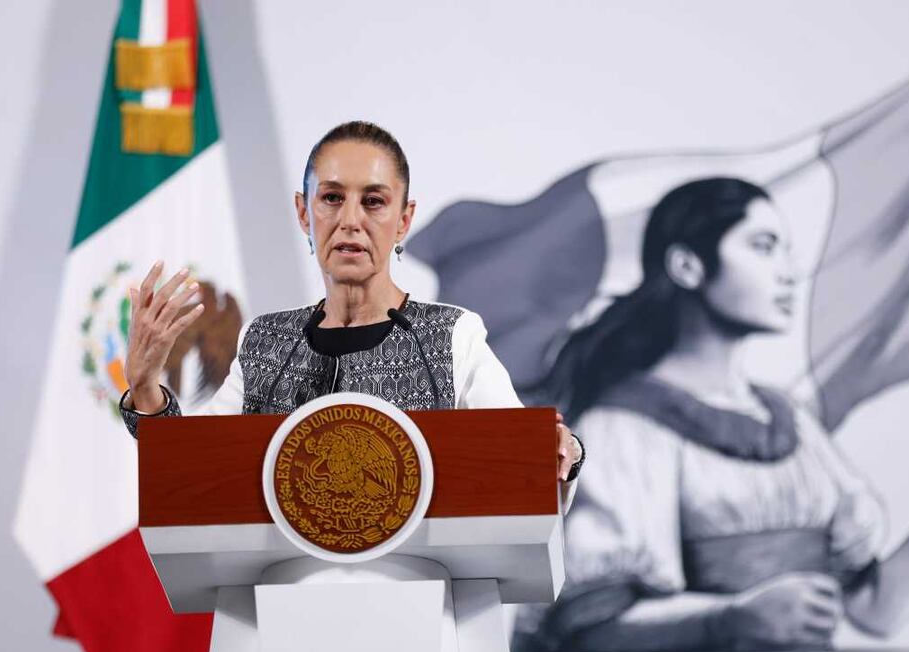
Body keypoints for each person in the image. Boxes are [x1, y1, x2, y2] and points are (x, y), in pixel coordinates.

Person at [510, 177, 909, 652]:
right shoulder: (622, 429)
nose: (788, 271)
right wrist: (731, 617)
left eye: (786, 250)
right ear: (687, 265)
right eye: (764, 246)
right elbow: (590, 625)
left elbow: (875, 610)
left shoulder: (793, 424)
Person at [118, 120, 584, 491]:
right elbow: (194, 465)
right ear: (305, 213)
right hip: (282, 602)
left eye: (374, 202)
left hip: (416, 601)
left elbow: (525, 450)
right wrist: (143, 387)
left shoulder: (448, 336)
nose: (350, 221)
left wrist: (565, 449)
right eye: (332, 198)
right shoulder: (267, 343)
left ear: (404, 221)